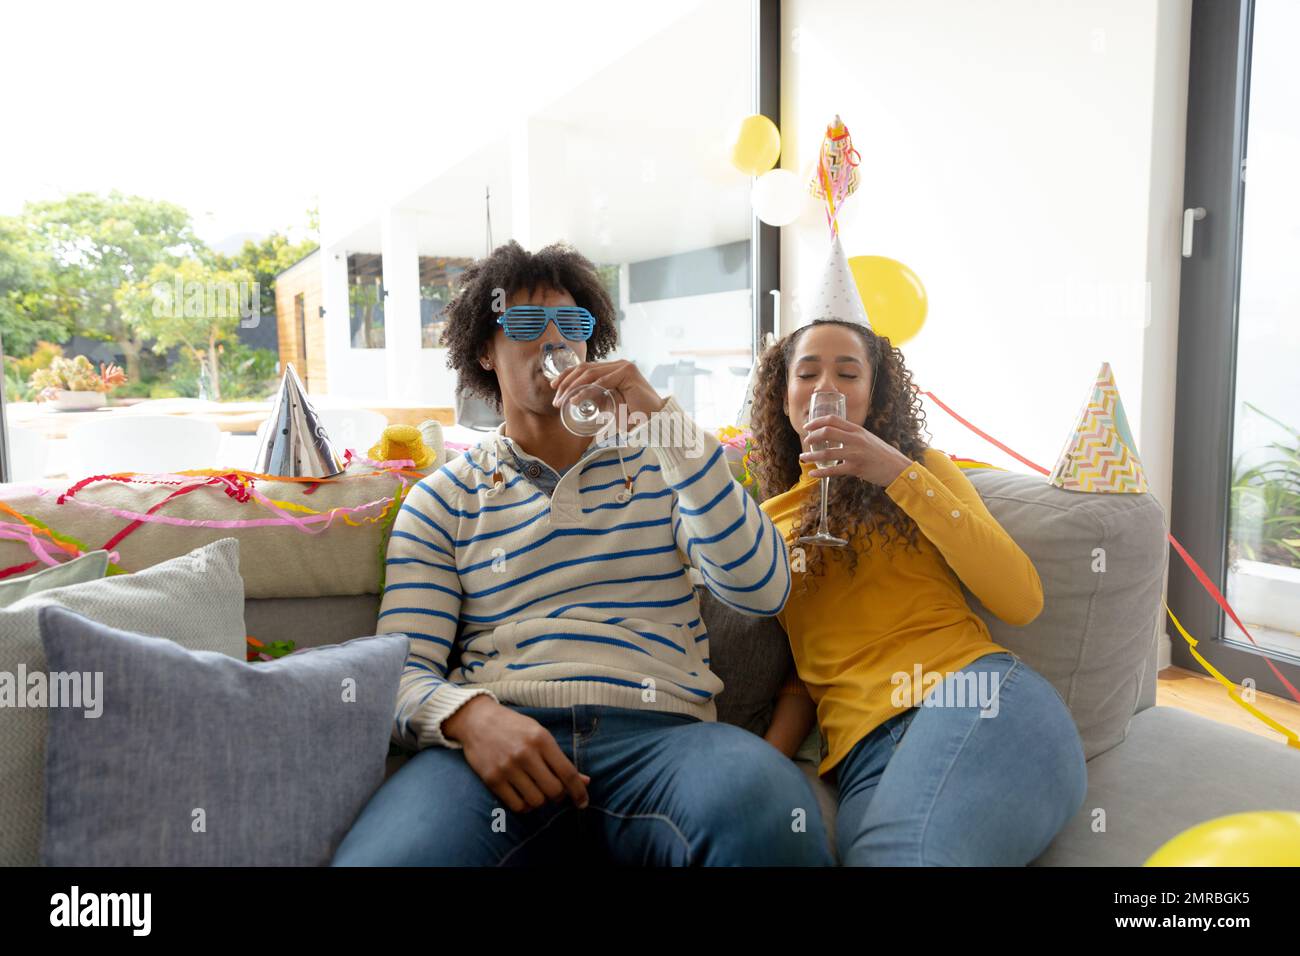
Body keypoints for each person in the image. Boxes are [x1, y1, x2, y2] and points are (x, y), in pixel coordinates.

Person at [332, 240, 832, 867]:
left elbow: (764, 589)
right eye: (524, 324)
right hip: (501, 744)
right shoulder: (441, 499)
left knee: (771, 825)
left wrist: (666, 426)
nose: (551, 341)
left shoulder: (665, 464)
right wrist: (470, 718)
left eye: (570, 325)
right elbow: (399, 671)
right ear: (485, 352)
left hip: (663, 739)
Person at [751, 317, 1088, 866]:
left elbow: (1021, 600)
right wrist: (765, 760)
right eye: (807, 372)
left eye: (849, 373)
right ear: (784, 397)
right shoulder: (766, 524)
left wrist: (897, 473)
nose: (827, 388)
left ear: (873, 394)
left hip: (973, 695)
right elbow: (804, 662)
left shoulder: (922, 472)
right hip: (863, 756)